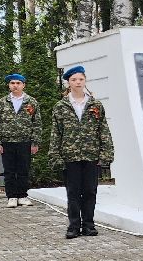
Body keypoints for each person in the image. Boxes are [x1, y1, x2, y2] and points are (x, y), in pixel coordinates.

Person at [49, 66, 114, 239]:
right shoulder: (60, 106)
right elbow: (56, 132)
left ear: (85, 81)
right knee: (73, 192)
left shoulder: (95, 105)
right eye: (74, 80)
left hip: (91, 154)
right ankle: (73, 226)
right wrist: (55, 155)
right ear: (68, 83)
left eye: (81, 79)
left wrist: (106, 153)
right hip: (70, 155)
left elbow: (103, 130)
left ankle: (89, 225)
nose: (78, 82)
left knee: (90, 191)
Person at [0, 73, 41, 207]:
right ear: (9, 85)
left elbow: (37, 123)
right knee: (9, 170)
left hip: (25, 141)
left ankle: (22, 195)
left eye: (18, 83)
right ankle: (12, 196)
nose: (15, 86)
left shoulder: (31, 102)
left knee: (23, 169)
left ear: (23, 85)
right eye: (12, 83)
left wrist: (35, 142)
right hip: (7, 141)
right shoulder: (2, 102)